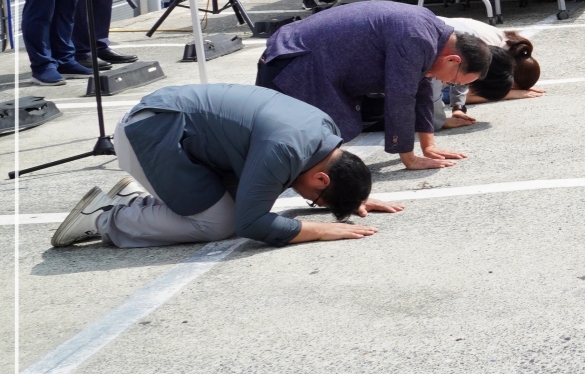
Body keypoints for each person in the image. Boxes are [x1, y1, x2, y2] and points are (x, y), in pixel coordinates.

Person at [50, 83, 393, 250]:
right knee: (218, 223)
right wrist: (317, 229)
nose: (311, 204)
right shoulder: (284, 150)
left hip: (172, 128)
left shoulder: (324, 133)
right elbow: (250, 223)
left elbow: (326, 176)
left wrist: (351, 194)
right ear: (321, 178)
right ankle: (106, 216)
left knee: (227, 210)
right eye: (316, 200)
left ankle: (137, 200)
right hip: (151, 133)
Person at [256, 0, 490, 169]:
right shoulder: (417, 37)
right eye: (454, 80)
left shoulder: (430, 30)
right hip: (294, 66)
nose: (447, 83)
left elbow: (420, 86)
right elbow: (401, 95)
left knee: (311, 148)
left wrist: (428, 145)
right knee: (283, 149)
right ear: (453, 59)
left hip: (302, 60)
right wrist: (409, 157)